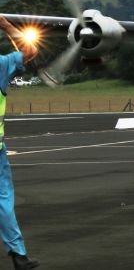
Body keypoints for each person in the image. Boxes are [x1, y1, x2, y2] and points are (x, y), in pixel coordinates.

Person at [0, 15, 39, 270]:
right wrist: (5, 25)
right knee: (3, 199)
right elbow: (31, 50)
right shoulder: (1, 65)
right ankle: (18, 254)